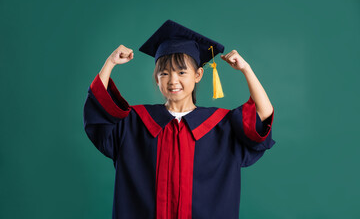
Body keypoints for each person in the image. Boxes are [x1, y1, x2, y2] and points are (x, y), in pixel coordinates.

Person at [83, 20, 275, 219]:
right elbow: (98, 114)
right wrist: (110, 63)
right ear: (156, 79)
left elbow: (264, 113)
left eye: (182, 72)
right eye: (164, 73)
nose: (173, 81)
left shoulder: (221, 126)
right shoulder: (134, 123)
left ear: (198, 74)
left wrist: (246, 69)